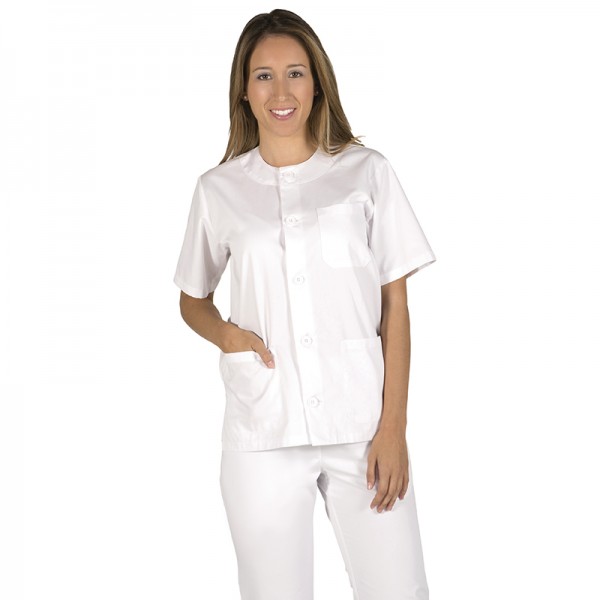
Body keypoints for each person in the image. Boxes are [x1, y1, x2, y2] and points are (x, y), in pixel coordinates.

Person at [173, 8, 436, 600]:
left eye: (295, 73)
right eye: (263, 76)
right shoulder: (218, 189)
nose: (281, 92)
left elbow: (395, 307)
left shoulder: (367, 173)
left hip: (363, 427)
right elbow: (192, 299)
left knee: (400, 590)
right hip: (263, 427)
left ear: (317, 82)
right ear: (244, 91)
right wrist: (229, 337)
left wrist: (394, 427)